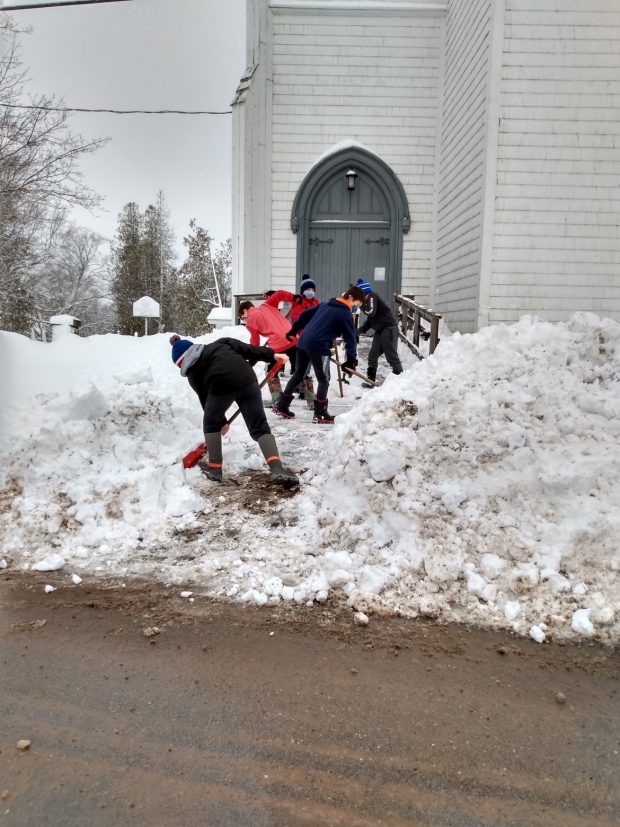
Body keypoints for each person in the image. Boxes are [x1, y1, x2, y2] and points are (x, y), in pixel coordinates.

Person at [170, 334, 298, 487]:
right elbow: (249, 350)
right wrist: (272, 355)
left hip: (220, 387)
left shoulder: (192, 374)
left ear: (181, 364)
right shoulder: (221, 343)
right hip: (247, 380)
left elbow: (206, 400)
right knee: (259, 426)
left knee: (210, 423)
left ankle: (215, 470)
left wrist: (219, 423)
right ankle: (277, 468)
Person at [273, 285, 365, 424]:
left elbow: (304, 315)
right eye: (357, 305)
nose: (355, 309)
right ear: (351, 298)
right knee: (324, 379)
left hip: (302, 342)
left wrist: (294, 331)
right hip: (318, 346)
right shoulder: (346, 314)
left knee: (299, 373)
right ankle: (320, 413)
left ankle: (282, 405)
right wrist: (351, 360)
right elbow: (350, 339)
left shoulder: (325, 304)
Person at [261, 276, 320, 408]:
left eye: (312, 289)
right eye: (308, 289)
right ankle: (279, 398)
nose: (310, 291)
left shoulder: (313, 304)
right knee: (278, 369)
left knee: (300, 370)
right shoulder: (295, 302)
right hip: (288, 340)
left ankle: (310, 400)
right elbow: (283, 299)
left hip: (296, 341)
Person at [238, 298, 298, 407]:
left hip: (279, 343)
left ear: (245, 311)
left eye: (243, 316)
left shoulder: (251, 320)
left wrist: (250, 363)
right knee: (300, 369)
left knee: (271, 370)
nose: (244, 319)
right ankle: (311, 400)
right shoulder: (266, 307)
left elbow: (255, 345)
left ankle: (278, 400)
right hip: (294, 338)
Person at [355, 277, 403, 384]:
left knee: (391, 356)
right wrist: (356, 332)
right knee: (372, 355)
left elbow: (371, 312)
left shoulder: (372, 296)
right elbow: (369, 322)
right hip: (380, 331)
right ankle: (370, 380)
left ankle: (400, 382)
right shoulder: (367, 302)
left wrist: (361, 305)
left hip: (389, 329)